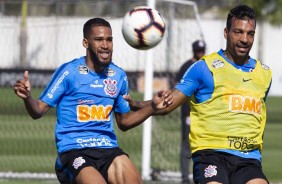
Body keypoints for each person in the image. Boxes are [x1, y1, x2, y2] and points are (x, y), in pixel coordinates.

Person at [13, 17, 173, 184]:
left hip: (108, 148)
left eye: (109, 40)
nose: (105, 45)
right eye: (98, 40)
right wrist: (28, 98)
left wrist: (152, 107)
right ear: (86, 43)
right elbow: (38, 110)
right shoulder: (69, 72)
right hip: (74, 150)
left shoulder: (118, 76)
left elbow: (124, 122)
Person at [127, 5, 272, 184]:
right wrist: (142, 105)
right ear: (226, 33)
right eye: (238, 32)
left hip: (248, 160)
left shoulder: (264, 74)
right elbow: (169, 102)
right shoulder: (204, 67)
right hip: (211, 155)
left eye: (250, 33)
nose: (244, 39)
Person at [175, 40, 206, 184]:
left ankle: (203, 174)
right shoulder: (186, 67)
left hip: (205, 114)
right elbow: (178, 89)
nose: (200, 53)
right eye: (198, 50)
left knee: (204, 145)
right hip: (188, 114)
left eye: (202, 50)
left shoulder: (206, 64)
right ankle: (184, 177)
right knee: (187, 145)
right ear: (194, 50)